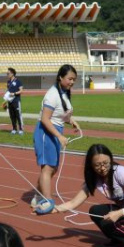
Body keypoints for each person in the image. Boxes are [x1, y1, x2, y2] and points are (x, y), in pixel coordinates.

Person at [47, 144, 124, 247]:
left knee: (112, 223)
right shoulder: (94, 178)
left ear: (111, 159)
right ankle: (120, 240)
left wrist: (119, 213)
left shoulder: (121, 172)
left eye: (105, 163)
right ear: (91, 165)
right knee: (95, 211)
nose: (103, 168)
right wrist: (51, 209)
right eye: (98, 165)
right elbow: (73, 203)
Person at [33, 64, 81, 205]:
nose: (72, 82)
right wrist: (59, 136)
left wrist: (71, 120)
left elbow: (60, 114)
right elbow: (45, 119)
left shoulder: (64, 93)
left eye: (74, 79)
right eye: (69, 79)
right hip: (46, 132)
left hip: (55, 131)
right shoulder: (52, 95)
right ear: (60, 77)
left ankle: (38, 196)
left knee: (53, 168)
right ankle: (47, 201)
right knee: (48, 168)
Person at [5, 67, 24, 134]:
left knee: (18, 115)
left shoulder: (18, 81)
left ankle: (21, 129)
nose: (7, 74)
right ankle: (14, 129)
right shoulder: (8, 82)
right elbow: (8, 91)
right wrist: (6, 100)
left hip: (16, 100)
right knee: (12, 115)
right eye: (7, 73)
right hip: (10, 101)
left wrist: (14, 93)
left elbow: (21, 91)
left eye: (8, 73)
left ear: (12, 73)